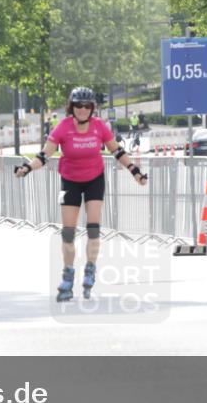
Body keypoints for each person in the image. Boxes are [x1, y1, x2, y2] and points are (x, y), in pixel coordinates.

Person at [15, 87, 148, 302]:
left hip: (94, 179)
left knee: (93, 229)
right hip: (70, 181)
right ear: (72, 107)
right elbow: (44, 154)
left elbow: (117, 151)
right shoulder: (63, 127)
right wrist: (27, 168)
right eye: (79, 105)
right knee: (68, 233)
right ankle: (68, 275)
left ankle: (90, 268)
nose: (83, 110)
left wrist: (135, 172)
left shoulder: (99, 127)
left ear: (92, 108)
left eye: (87, 106)